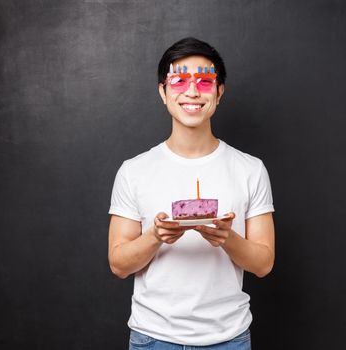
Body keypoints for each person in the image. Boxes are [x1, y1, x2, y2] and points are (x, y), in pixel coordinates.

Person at [108, 37, 275, 349]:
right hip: (154, 338)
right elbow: (118, 264)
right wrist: (155, 235)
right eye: (179, 80)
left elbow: (264, 263)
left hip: (229, 338)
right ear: (163, 91)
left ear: (220, 92)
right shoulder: (134, 170)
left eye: (205, 81)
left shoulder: (251, 169)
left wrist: (228, 238)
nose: (193, 91)